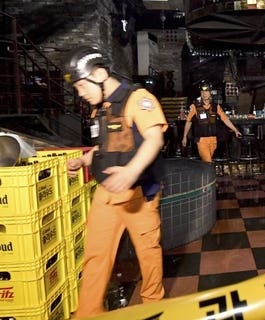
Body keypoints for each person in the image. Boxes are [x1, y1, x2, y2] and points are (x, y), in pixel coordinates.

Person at [63, 46, 166, 317]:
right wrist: (84, 161)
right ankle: (87, 313)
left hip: (139, 195)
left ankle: (154, 308)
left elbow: (155, 138)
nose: (80, 94)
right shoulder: (102, 109)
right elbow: (106, 147)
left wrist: (131, 172)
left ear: (99, 74)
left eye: (82, 86)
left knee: (148, 255)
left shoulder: (138, 98)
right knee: (96, 256)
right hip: (107, 194)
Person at [181, 81, 241, 162]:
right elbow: (188, 122)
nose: (204, 93)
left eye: (206, 91)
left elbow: (225, 119)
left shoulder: (216, 107)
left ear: (210, 93)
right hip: (201, 140)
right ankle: (209, 173)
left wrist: (235, 130)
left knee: (207, 162)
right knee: (208, 161)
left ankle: (204, 173)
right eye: (202, 91)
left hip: (213, 140)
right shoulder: (195, 106)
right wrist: (184, 136)